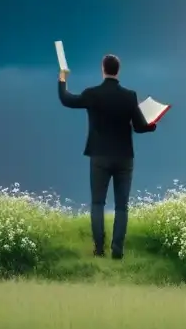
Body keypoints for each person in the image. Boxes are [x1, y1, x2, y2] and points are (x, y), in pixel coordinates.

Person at [58, 54, 157, 259]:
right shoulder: (130, 96)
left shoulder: (92, 94)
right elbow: (139, 127)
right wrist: (152, 126)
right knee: (122, 206)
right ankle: (118, 251)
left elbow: (66, 99)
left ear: (103, 69)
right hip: (124, 158)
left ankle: (99, 249)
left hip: (99, 156)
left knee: (97, 204)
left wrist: (62, 78)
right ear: (118, 70)